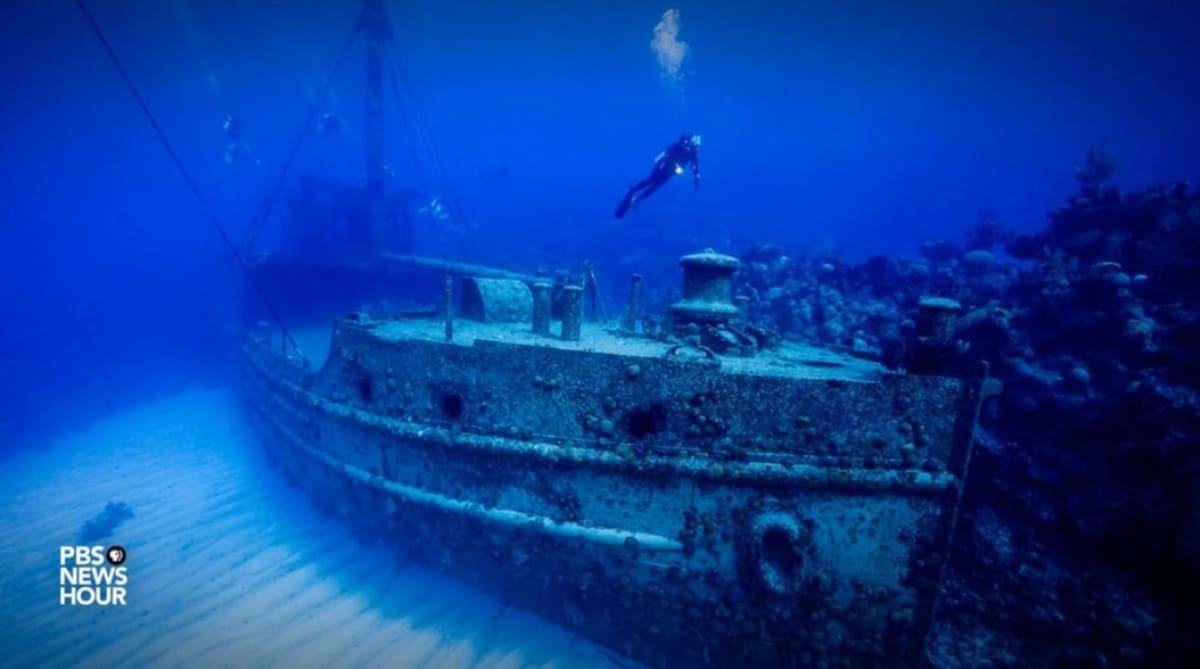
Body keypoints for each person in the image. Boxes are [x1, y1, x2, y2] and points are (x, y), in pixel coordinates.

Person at [614, 133, 701, 218]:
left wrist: (696, 177)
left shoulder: (693, 152)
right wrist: (675, 165)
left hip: (670, 172)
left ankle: (636, 200)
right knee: (651, 180)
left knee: (656, 186)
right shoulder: (678, 145)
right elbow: (667, 153)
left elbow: (695, 165)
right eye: (694, 145)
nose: (694, 148)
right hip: (662, 165)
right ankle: (633, 190)